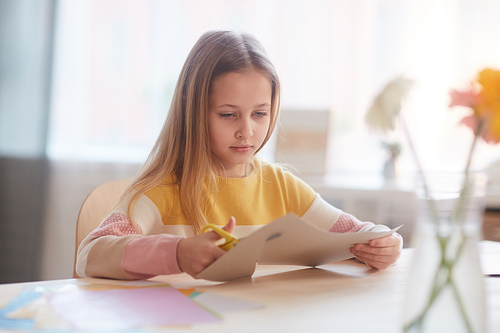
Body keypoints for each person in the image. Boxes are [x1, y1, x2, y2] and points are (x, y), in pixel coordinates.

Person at [76, 30, 403, 280]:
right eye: (228, 115)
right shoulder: (160, 189)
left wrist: (383, 245)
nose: (246, 131)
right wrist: (177, 253)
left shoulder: (281, 186)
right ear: (193, 108)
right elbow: (90, 254)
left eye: (259, 114)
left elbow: (356, 233)